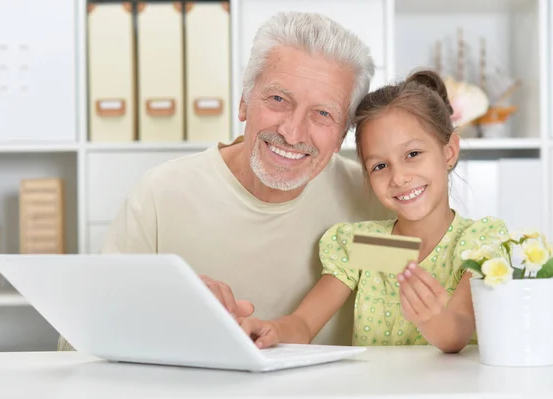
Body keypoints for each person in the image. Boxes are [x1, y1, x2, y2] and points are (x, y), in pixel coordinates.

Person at [57, 12, 392, 351]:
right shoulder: (161, 197)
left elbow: (424, 303)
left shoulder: (375, 202)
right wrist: (165, 304)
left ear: (342, 136)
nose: (292, 132)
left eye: (323, 114)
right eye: (278, 99)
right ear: (245, 102)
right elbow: (74, 346)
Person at [240, 70, 510, 354]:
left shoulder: (477, 242)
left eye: (413, 154)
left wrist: (434, 318)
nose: (399, 177)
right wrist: (275, 330)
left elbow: (458, 331)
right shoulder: (373, 247)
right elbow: (304, 324)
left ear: (449, 152)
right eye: (380, 166)